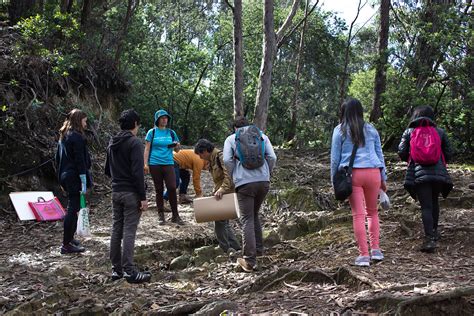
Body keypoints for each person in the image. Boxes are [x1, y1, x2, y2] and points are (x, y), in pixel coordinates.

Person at [330, 98, 387, 267]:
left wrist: (334, 180)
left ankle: (363, 255)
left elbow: (335, 159)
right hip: (374, 173)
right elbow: (380, 154)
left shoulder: (340, 130)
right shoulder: (371, 129)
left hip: (352, 174)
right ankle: (376, 250)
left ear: (344, 112)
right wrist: (383, 178)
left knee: (359, 215)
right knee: (373, 213)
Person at [223, 117, 277, 272]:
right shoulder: (261, 136)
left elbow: (227, 160)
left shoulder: (231, 139)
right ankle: (259, 250)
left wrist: (235, 176)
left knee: (246, 218)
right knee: (253, 214)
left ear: (235, 128)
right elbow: (272, 157)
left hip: (244, 183)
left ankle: (250, 260)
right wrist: (267, 172)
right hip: (263, 182)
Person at [398, 105, 453, 253]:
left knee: (426, 206)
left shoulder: (409, 132)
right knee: (434, 202)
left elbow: (401, 151)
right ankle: (434, 232)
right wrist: (439, 160)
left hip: (418, 173)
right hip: (438, 173)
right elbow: (449, 152)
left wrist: (412, 157)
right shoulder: (440, 132)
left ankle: (429, 239)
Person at [104, 109, 151, 284]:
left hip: (116, 191)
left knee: (117, 229)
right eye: (138, 125)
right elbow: (138, 173)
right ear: (135, 124)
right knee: (129, 231)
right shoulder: (134, 143)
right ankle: (129, 271)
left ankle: (116, 270)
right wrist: (143, 197)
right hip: (131, 192)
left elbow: (107, 170)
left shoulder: (112, 142)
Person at [55, 108, 92, 254]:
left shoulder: (64, 136)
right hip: (74, 176)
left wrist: (60, 178)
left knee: (74, 207)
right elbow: (80, 161)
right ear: (78, 120)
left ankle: (70, 239)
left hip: (65, 175)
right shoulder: (76, 137)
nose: (86, 123)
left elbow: (58, 159)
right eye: (84, 120)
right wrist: (83, 180)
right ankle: (66, 244)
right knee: (73, 208)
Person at [194, 139, 241, 253]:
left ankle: (225, 248)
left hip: (228, 192)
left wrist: (222, 189)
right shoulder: (213, 159)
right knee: (223, 221)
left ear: (205, 151)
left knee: (220, 222)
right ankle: (235, 247)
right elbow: (218, 180)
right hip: (222, 192)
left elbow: (228, 175)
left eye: (200, 154)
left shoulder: (220, 156)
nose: (200, 157)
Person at [144, 109, 184, 225]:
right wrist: (145, 164)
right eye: (162, 118)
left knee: (172, 187)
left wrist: (177, 146)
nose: (165, 120)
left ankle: (175, 215)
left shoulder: (171, 133)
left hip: (168, 163)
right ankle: (161, 215)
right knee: (159, 189)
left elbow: (177, 150)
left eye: (166, 118)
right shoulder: (152, 132)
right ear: (157, 120)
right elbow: (147, 149)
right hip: (155, 163)